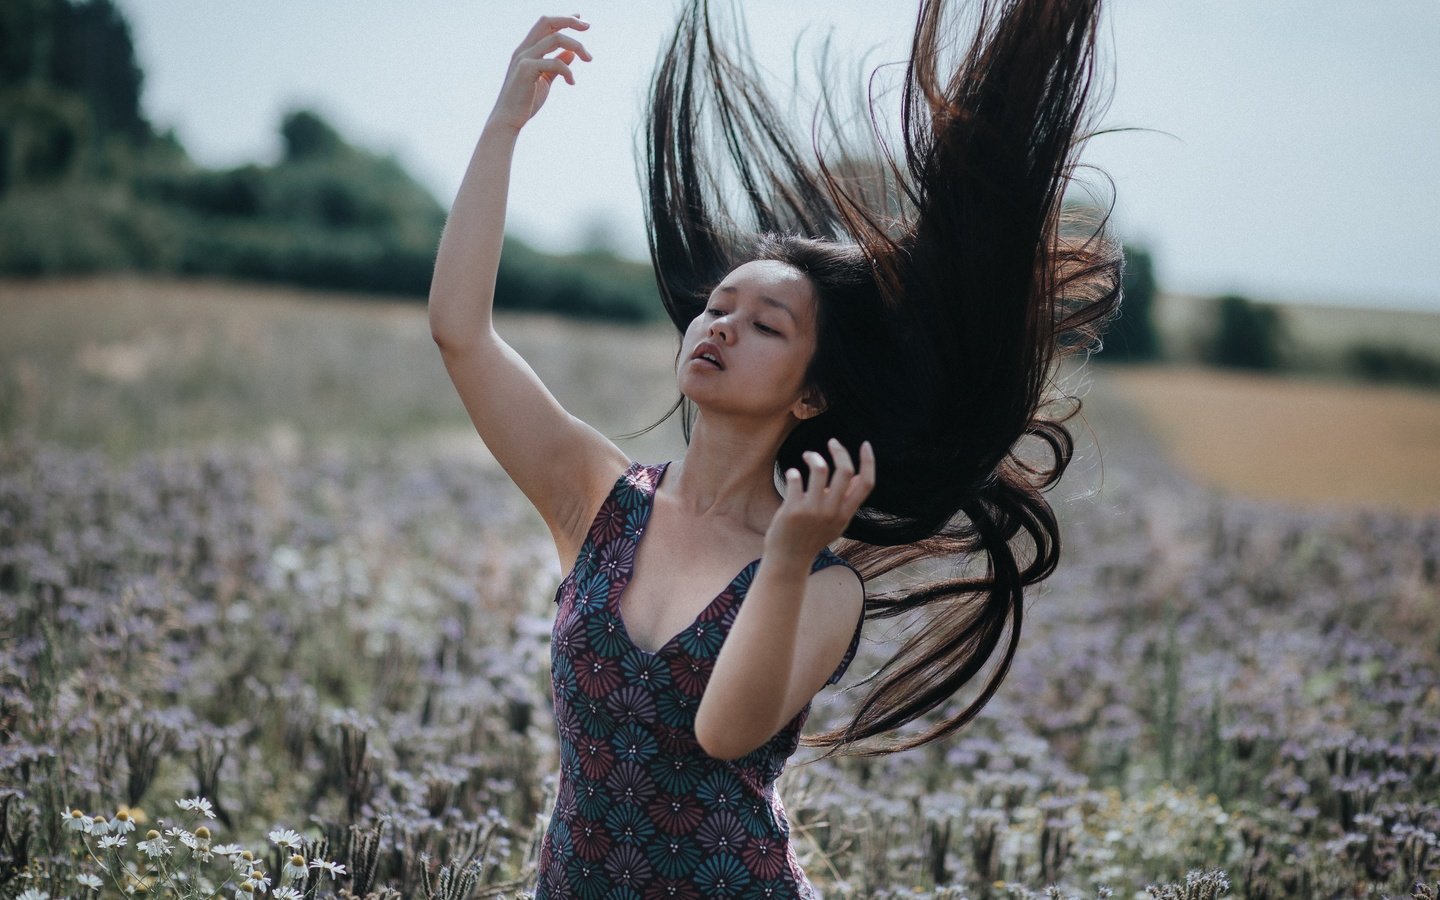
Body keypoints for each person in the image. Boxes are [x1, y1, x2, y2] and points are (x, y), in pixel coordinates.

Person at [428, 0, 1121, 895]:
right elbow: (460, 334)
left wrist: (789, 555)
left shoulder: (824, 587)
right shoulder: (597, 499)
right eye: (716, 307)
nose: (719, 327)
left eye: (764, 325)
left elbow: (724, 733)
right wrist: (504, 125)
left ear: (813, 393)